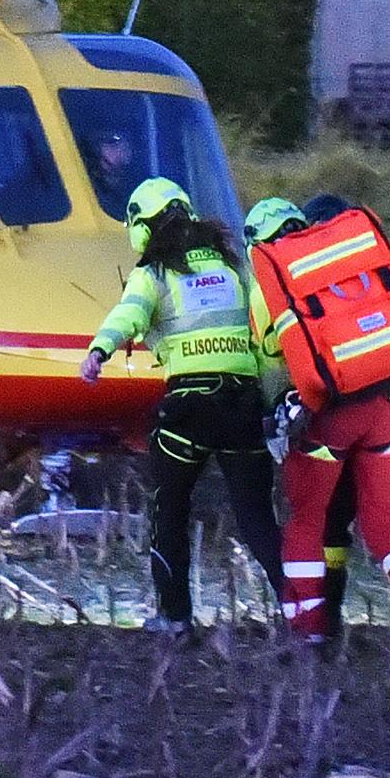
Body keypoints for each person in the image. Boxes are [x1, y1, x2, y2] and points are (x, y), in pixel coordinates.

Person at [79, 178, 283, 632]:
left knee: (168, 509)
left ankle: (174, 617)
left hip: (190, 405)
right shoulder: (233, 267)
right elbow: (266, 328)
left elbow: (128, 313)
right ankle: (301, 611)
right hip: (242, 401)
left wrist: (99, 350)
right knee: (257, 517)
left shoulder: (153, 273)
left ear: (142, 227)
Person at [245, 196, 390, 644]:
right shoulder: (359, 259)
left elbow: (268, 349)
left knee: (307, 519)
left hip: (331, 416)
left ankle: (307, 628)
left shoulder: (271, 281)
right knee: (384, 523)